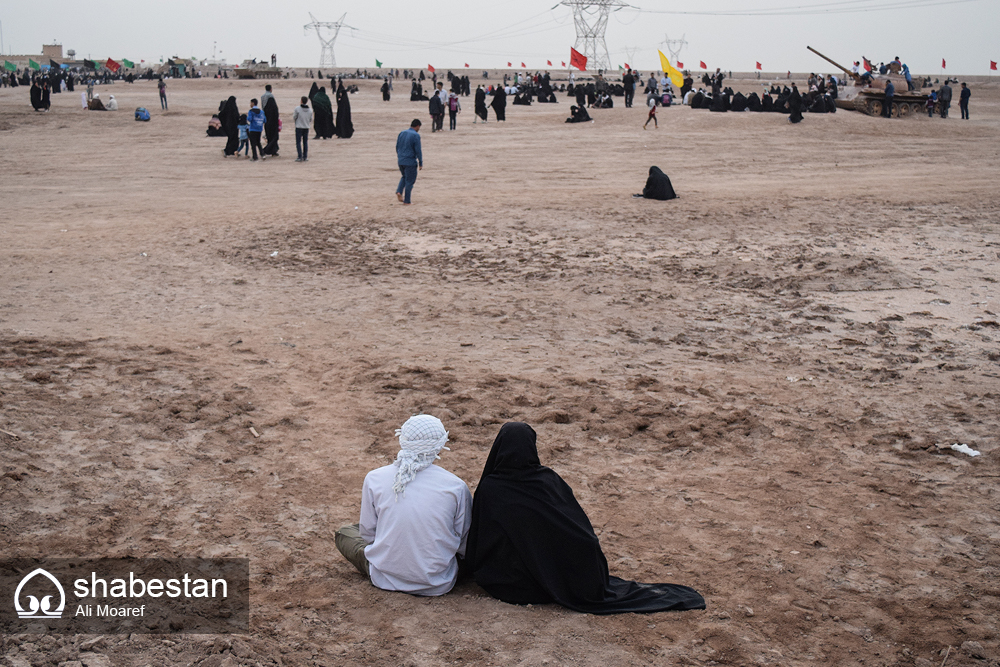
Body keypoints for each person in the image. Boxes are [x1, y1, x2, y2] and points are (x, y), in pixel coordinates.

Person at [465, 423, 706, 614]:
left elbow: (479, 538)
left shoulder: (490, 488)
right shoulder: (548, 482)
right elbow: (576, 532)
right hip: (548, 586)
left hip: (506, 586)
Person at [334, 415, 471, 595]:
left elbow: (368, 534)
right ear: (440, 444)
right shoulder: (456, 486)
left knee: (346, 533)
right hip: (439, 582)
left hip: (384, 577)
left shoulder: (375, 478)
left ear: (402, 439)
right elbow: (463, 542)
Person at [395, 119, 423, 205]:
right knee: (410, 181)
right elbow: (418, 150)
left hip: (401, 160)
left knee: (404, 176)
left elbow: (397, 146)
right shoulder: (416, 135)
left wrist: (400, 156)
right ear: (418, 126)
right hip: (410, 161)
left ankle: (399, 191)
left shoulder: (402, 133)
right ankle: (407, 201)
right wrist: (420, 162)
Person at [293, 96, 312, 162]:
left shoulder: (297, 109)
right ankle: (305, 156)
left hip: (299, 127)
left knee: (298, 142)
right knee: (305, 142)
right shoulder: (310, 110)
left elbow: (294, 117)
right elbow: (310, 119)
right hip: (306, 127)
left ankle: (299, 156)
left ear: (301, 101)